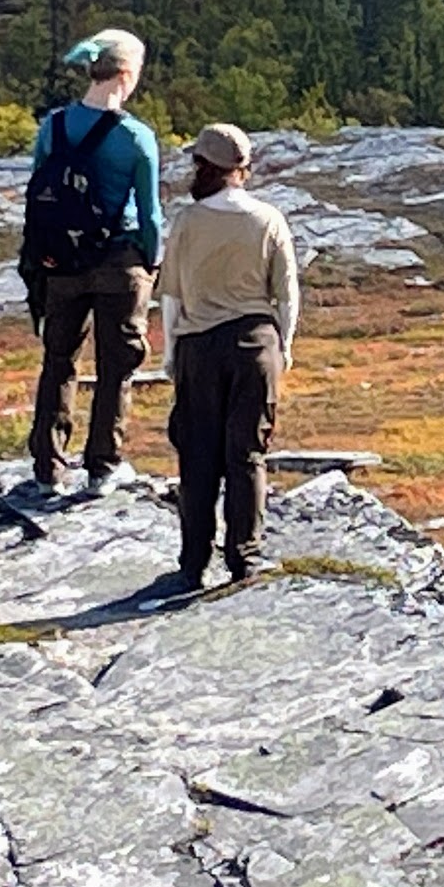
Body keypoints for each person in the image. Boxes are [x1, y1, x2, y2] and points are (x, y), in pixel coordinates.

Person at [155, 120, 299, 589]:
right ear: (243, 169)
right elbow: (287, 295)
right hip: (255, 346)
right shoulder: (268, 219)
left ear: (203, 166)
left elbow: (171, 297)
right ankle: (245, 559)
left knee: (197, 458)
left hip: (198, 346)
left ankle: (193, 562)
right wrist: (286, 346)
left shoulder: (187, 222)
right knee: (248, 455)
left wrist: (171, 354)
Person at [21, 28, 164, 496]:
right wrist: (151, 262)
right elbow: (150, 214)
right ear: (125, 75)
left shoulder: (53, 127)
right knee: (116, 366)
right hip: (119, 261)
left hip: (58, 260)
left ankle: (48, 467)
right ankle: (102, 466)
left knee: (58, 360)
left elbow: (40, 190)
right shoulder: (136, 137)